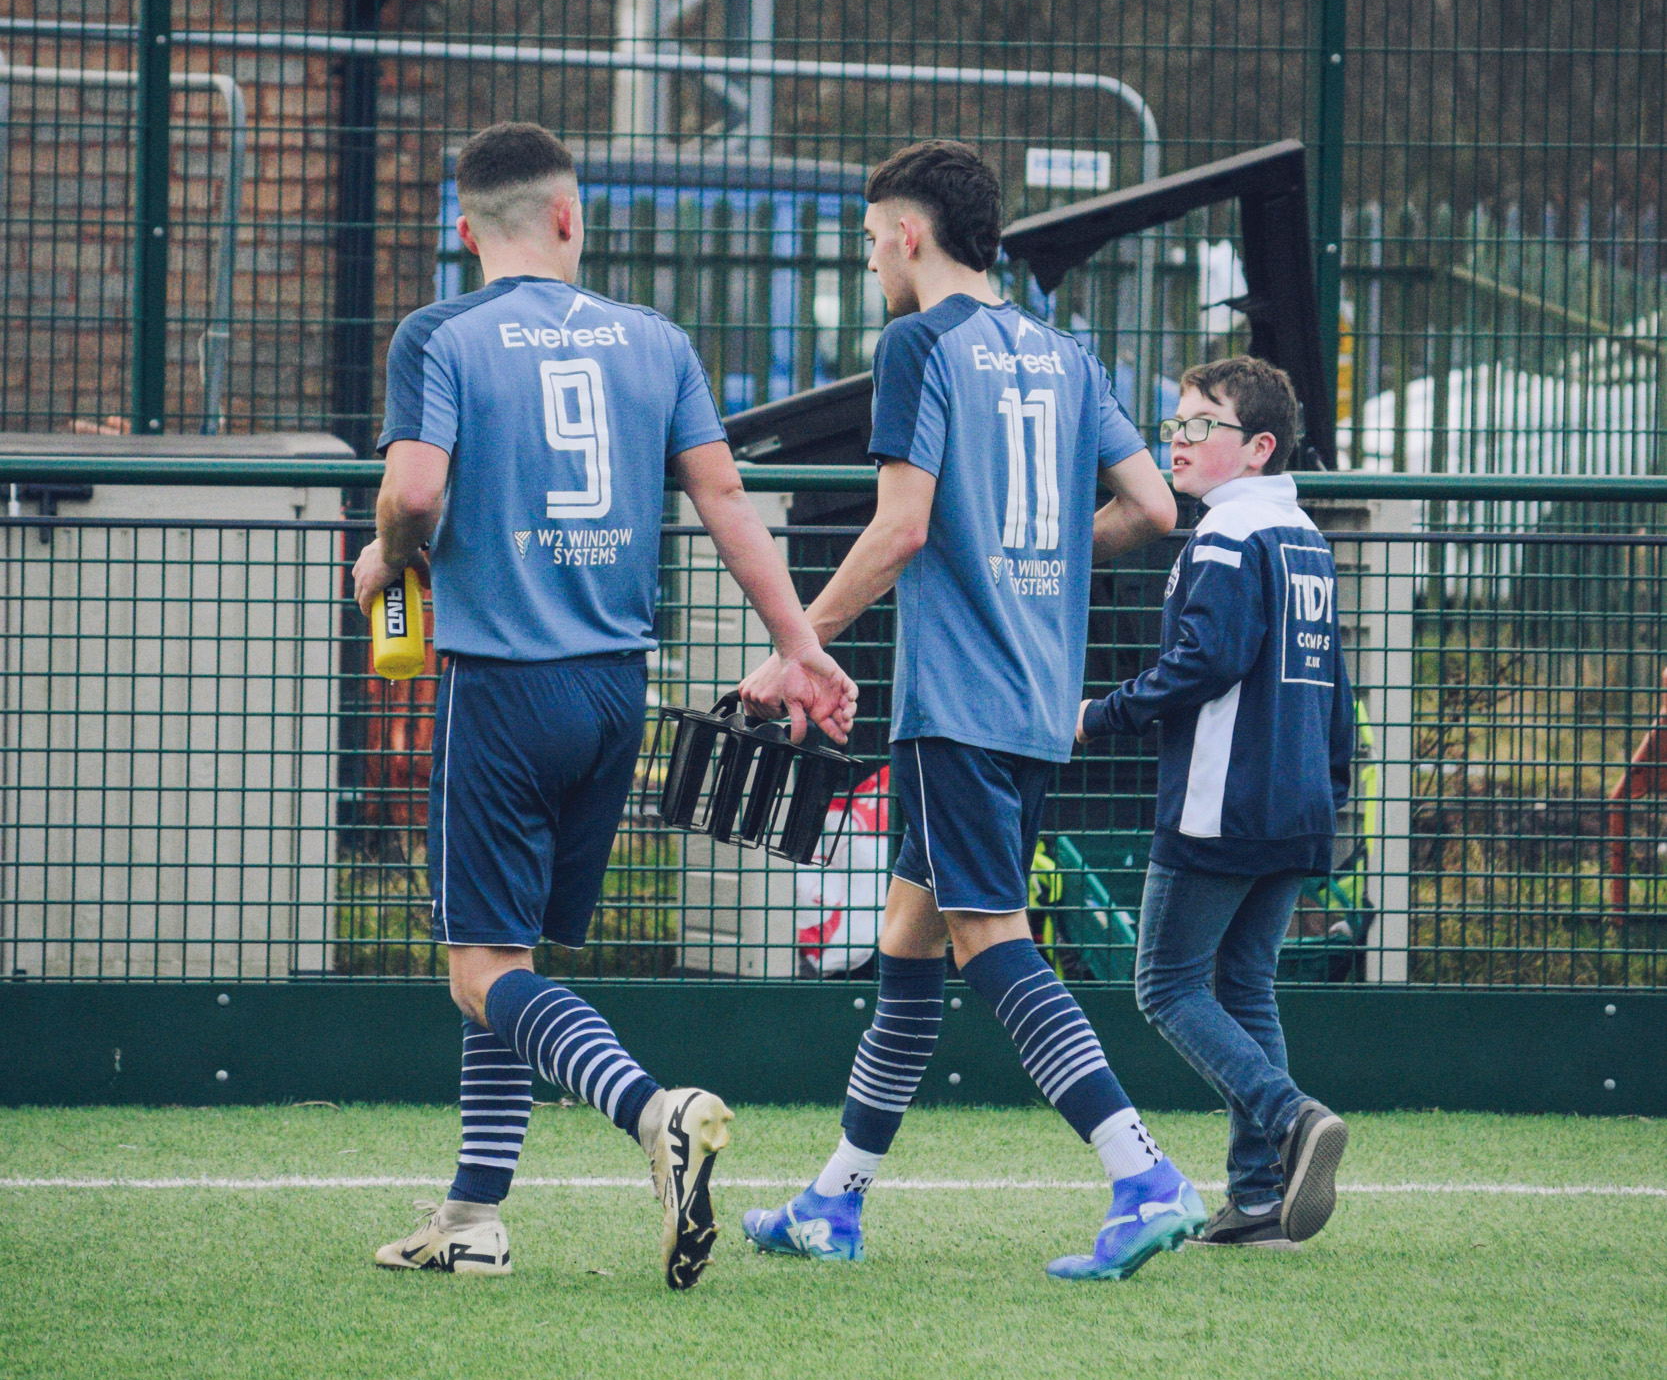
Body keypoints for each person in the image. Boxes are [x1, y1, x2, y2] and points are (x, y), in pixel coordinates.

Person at [356, 123, 855, 1289]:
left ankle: (652, 1110)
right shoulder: (656, 341)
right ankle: (474, 1213)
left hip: (504, 683)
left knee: (479, 970)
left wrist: (387, 558)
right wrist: (797, 645)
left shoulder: (439, 332)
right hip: (614, 689)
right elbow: (726, 498)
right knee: (506, 955)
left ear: (462, 229)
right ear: (571, 218)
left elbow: (414, 490)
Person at [737, 136, 1201, 1283]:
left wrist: (799, 643)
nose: (868, 267)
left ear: (906, 233)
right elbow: (1150, 504)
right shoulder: (1061, 354)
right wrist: (1031, 548)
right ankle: (832, 1203)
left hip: (960, 704)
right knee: (906, 940)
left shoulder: (916, 343)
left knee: (990, 940)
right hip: (1036, 698)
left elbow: (899, 527)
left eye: (866, 244)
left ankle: (1142, 1172)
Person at [1077, 354, 1352, 1247]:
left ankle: (1290, 1116)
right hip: (1297, 806)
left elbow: (1205, 662)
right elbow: (1334, 691)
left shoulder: (1229, 536)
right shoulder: (1303, 537)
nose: (1178, 442)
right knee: (1242, 985)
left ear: (1258, 447)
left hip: (1220, 806)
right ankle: (1262, 1200)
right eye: (1175, 425)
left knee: (1164, 986)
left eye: (1201, 426)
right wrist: (1329, 789)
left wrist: (1100, 715)